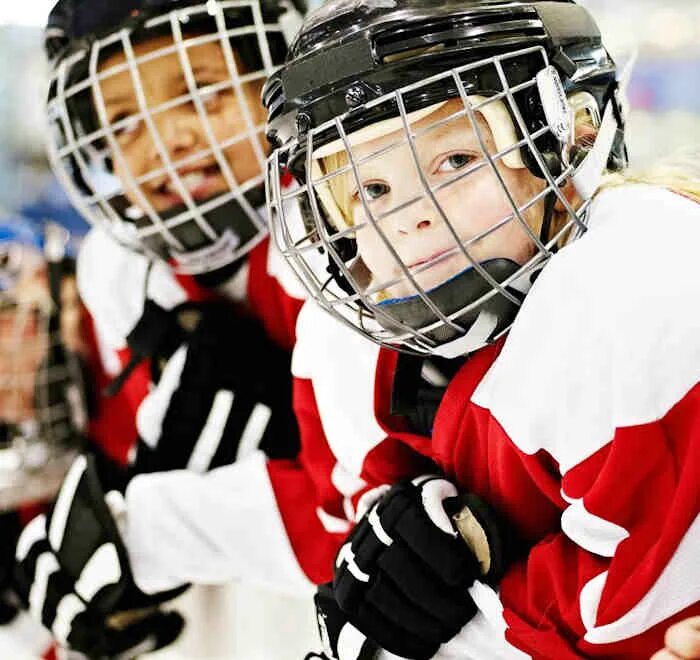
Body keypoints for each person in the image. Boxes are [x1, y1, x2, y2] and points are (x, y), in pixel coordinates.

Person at [264, 1, 700, 658]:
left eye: (457, 160)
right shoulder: (347, 353)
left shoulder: (641, 281)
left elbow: (628, 625)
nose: (410, 215)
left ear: (571, 139)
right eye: (372, 190)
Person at [14, 1, 432, 657]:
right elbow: (116, 467)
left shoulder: (360, 231)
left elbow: (359, 517)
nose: (164, 139)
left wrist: (146, 532)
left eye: (201, 91)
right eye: (122, 123)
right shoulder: (117, 270)